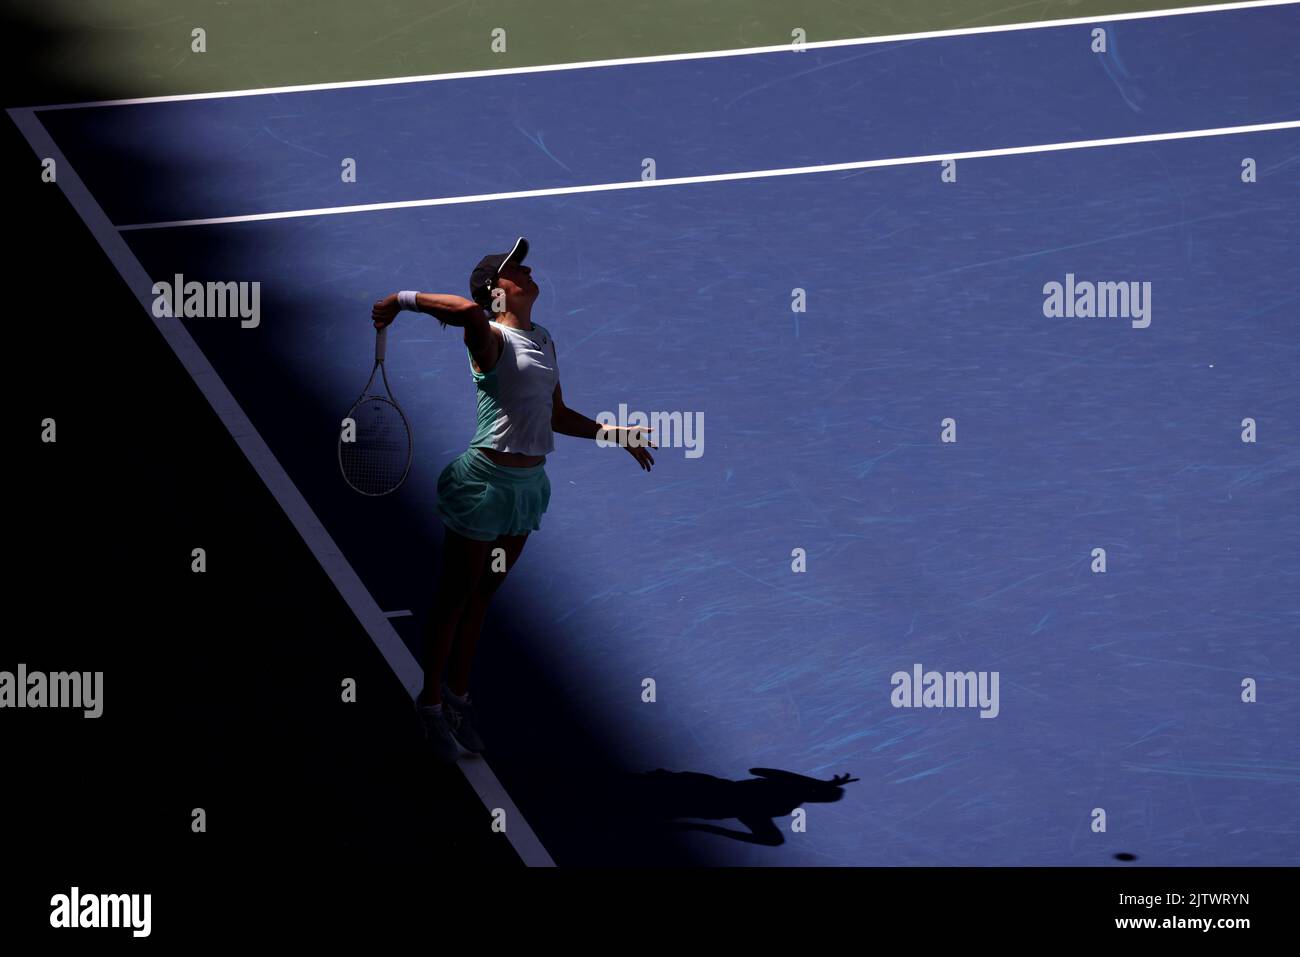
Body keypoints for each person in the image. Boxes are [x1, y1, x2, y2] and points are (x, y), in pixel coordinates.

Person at [370, 237, 656, 762]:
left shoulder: (543, 339)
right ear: (494, 293)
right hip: (483, 487)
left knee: (483, 597)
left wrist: (616, 435)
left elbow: (557, 415)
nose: (525, 271)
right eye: (512, 270)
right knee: (456, 597)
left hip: (526, 492)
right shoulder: (487, 336)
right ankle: (429, 705)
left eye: (523, 265)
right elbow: (460, 310)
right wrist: (399, 298)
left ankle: (458, 699)